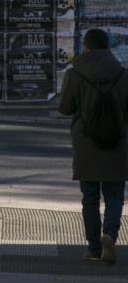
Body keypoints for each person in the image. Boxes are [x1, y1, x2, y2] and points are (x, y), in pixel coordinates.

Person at [59, 28, 128, 265]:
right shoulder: (123, 74)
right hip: (117, 141)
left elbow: (66, 108)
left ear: (86, 47)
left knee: (89, 197)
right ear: (108, 47)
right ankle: (109, 233)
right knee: (115, 195)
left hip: (86, 142)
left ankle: (94, 247)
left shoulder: (75, 74)